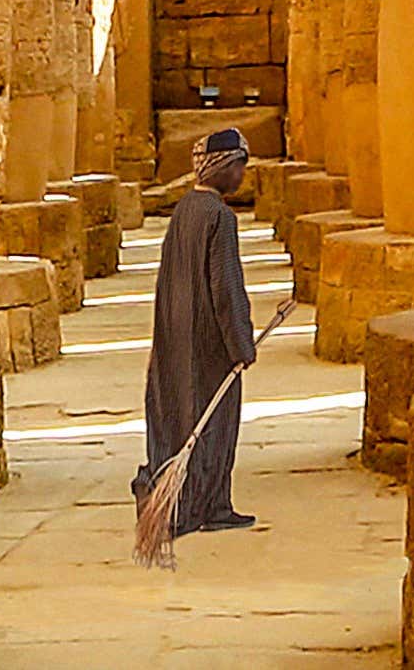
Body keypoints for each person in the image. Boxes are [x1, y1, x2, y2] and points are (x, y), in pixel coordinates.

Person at [134, 128, 261, 538]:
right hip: (209, 345)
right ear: (220, 168)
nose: (241, 174)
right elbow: (227, 289)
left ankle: (180, 500)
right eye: (238, 166)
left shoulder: (185, 210)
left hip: (175, 337)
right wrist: (241, 344)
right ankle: (207, 506)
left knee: (175, 418)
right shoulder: (220, 217)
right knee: (215, 422)